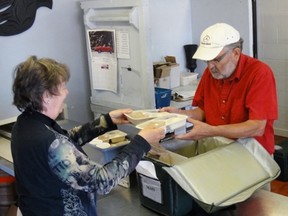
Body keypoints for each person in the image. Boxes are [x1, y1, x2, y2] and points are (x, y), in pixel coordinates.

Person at [11, 56, 165, 216]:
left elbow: (65, 141)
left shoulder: (25, 124)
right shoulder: (46, 139)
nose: (67, 92)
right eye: (62, 87)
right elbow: (102, 181)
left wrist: (107, 121)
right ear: (46, 97)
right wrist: (142, 142)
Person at [161, 23, 278, 155]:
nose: (210, 67)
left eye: (216, 60)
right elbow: (203, 111)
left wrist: (211, 130)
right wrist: (178, 114)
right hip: (218, 147)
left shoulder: (259, 73)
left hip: (252, 153)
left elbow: (256, 127)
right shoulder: (211, 73)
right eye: (207, 61)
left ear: (236, 53)